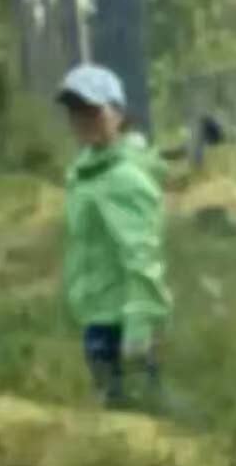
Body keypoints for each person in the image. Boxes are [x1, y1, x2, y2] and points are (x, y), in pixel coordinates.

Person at [57, 64, 171, 408]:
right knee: (114, 419)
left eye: (94, 109)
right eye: (75, 110)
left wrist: (139, 328)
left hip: (122, 323)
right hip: (98, 316)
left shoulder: (125, 178)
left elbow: (143, 256)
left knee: (133, 422)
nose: (83, 118)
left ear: (118, 114)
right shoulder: (87, 172)